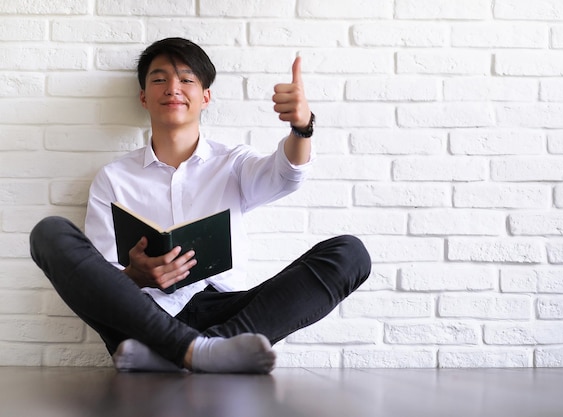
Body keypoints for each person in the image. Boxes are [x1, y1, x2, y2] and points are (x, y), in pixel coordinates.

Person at [29, 37, 371, 374]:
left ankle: (189, 352)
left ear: (205, 97)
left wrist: (302, 128)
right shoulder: (113, 178)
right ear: (143, 97)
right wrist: (136, 275)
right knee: (49, 234)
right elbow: (98, 279)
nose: (172, 87)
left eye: (187, 79)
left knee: (349, 254)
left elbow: (287, 175)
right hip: (143, 315)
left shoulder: (233, 162)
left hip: (229, 312)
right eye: (160, 79)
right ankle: (198, 352)